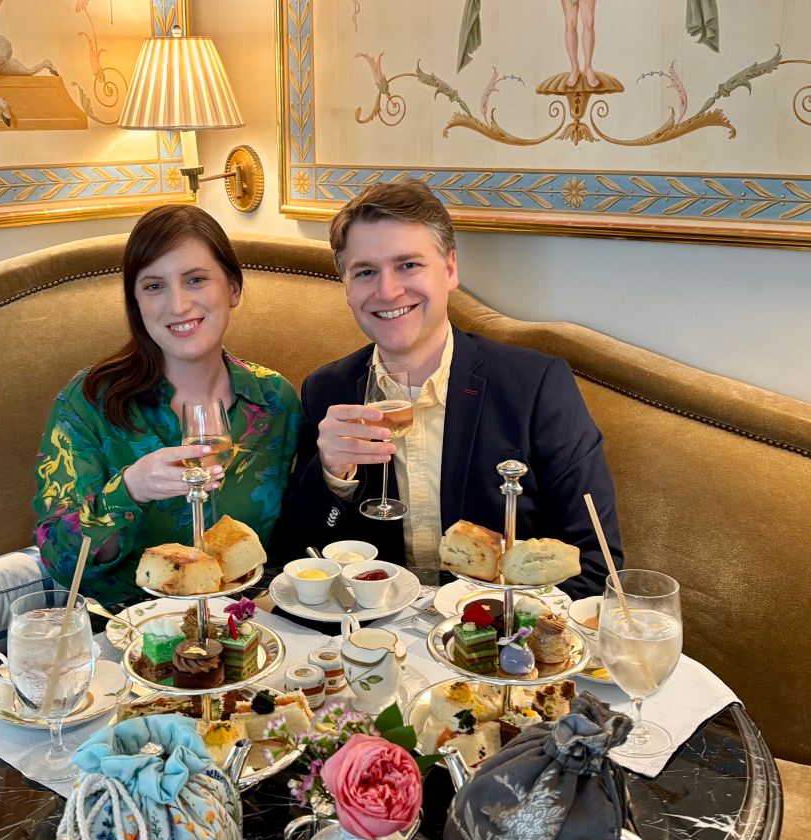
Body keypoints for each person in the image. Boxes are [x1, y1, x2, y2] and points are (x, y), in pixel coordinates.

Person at [283, 179, 621, 599]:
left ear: (450, 269)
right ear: (348, 289)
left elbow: (595, 564)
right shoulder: (326, 389)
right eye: (366, 272)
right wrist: (332, 477)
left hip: (497, 641)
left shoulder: (536, 385)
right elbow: (299, 559)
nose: (388, 290)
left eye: (408, 265)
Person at [34, 205, 302, 606]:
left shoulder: (275, 400)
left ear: (233, 287)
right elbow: (60, 559)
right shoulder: (89, 401)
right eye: (154, 286)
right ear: (136, 304)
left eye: (195, 280)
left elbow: (298, 535)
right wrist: (130, 490)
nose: (177, 305)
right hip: (130, 638)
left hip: (248, 630)